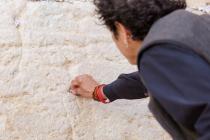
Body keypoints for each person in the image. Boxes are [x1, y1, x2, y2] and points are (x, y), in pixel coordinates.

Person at [69, 0, 210, 139]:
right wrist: (100, 92)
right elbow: (149, 80)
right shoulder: (195, 27)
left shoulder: (159, 50)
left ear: (122, 30)